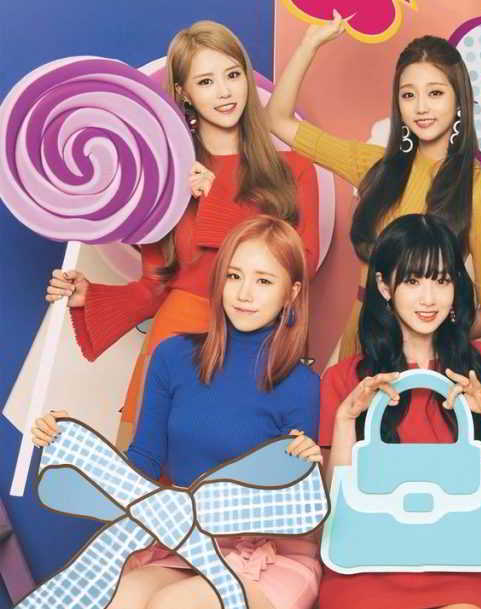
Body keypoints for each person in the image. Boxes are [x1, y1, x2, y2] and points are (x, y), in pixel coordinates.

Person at [45, 21, 321, 447]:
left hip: (259, 344)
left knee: (243, 473)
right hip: (178, 332)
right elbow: (157, 282)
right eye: (206, 81)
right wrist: (91, 296)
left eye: (233, 75)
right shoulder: (166, 178)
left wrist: (219, 201)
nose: (225, 92)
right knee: (143, 472)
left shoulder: (293, 171)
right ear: (183, 93)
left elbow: (301, 263)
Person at [33, 216, 323, 609]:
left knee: (173, 604)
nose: (244, 293)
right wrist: (69, 441)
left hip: (270, 554)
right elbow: (143, 463)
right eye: (234, 276)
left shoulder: (301, 383)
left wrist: (306, 465)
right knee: (119, 600)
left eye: (264, 281)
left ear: (292, 292)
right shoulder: (172, 356)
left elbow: (293, 504)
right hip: (184, 541)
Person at [267, 13, 481, 365]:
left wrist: (429, 338)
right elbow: (276, 119)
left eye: (435, 93)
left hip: (421, 360)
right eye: (408, 95)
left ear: (459, 101)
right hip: (360, 342)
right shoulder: (376, 166)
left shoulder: (476, 188)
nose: (421, 107)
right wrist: (310, 43)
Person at [317, 214, 481, 609]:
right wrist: (345, 420)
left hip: (459, 568)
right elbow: (337, 499)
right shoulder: (347, 379)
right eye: (412, 281)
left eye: (441, 281)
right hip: (366, 567)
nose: (429, 299)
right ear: (384, 286)